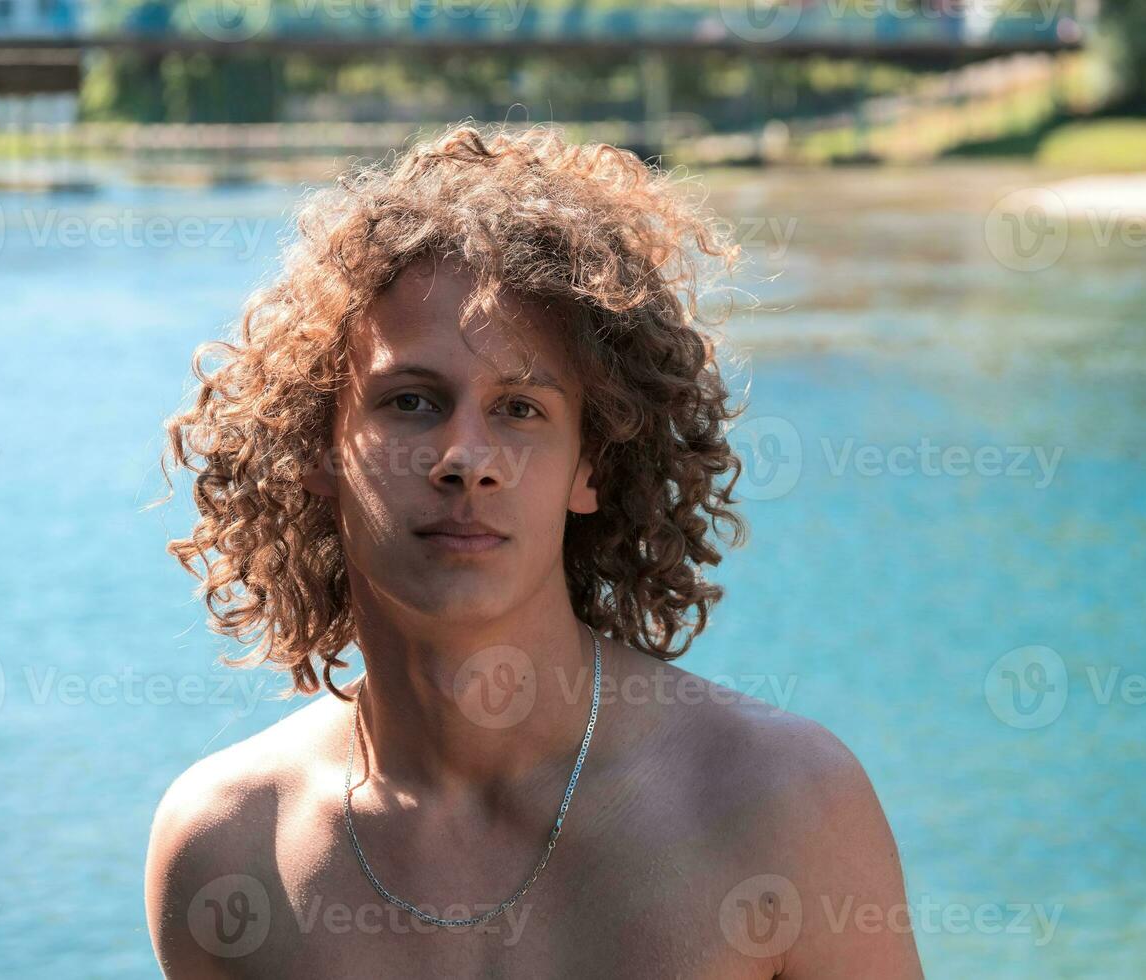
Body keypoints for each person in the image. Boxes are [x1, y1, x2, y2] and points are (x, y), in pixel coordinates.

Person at [144, 122, 923, 979]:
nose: (464, 460)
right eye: (410, 401)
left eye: (520, 409)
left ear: (589, 464)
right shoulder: (226, 851)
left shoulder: (782, 805)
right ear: (319, 450)